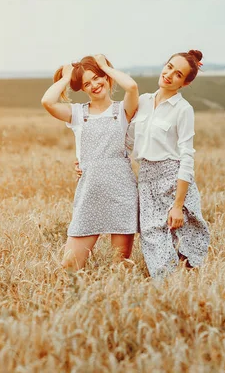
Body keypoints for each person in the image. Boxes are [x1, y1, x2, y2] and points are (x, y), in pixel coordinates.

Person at [76, 50, 210, 279]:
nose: (169, 75)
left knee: (187, 243)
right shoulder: (144, 102)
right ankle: (166, 289)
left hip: (173, 179)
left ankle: (192, 291)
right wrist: (90, 162)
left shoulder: (183, 110)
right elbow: (123, 140)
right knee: (153, 241)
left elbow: (187, 157)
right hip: (146, 181)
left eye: (178, 74)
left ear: (184, 83)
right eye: (168, 67)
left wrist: (178, 204)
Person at [40, 54, 140, 271]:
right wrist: (67, 77)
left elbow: (131, 87)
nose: (95, 85)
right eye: (87, 83)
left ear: (106, 77)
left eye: (97, 78)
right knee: (70, 266)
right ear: (82, 89)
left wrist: (104, 66)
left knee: (119, 266)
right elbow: (47, 102)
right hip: (89, 193)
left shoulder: (122, 110)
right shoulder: (77, 114)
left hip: (121, 193)